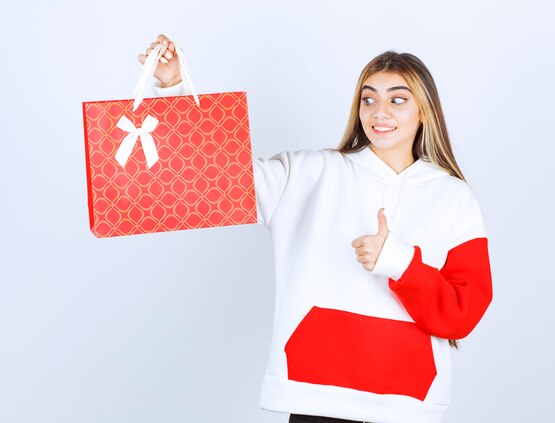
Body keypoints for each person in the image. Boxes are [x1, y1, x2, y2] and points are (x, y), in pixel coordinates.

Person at [139, 34, 493, 423]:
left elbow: (463, 312)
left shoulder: (453, 198)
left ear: (424, 111)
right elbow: (215, 178)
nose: (380, 112)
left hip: (407, 404)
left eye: (397, 99)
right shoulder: (308, 173)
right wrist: (173, 87)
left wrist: (398, 261)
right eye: (369, 98)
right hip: (316, 396)